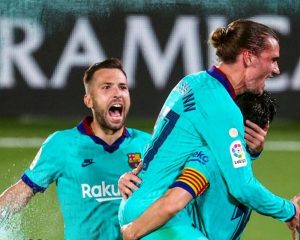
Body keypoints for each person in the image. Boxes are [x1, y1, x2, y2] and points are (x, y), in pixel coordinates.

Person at [118, 19, 300, 240]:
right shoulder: (222, 106)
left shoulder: (194, 82)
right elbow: (241, 187)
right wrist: (289, 211)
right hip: (156, 213)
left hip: (146, 204)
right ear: (249, 56)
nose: (276, 69)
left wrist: (250, 151)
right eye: (272, 60)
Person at [0, 58, 151, 240]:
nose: (117, 93)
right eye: (106, 87)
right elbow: (20, 193)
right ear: (89, 100)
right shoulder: (61, 144)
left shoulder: (148, 144)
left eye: (123, 87)